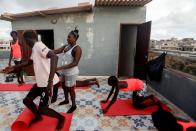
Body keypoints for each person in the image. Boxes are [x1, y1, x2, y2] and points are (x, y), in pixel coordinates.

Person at [4, 30, 65, 131]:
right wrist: (14, 67)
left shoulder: (38, 46)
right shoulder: (35, 49)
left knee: (43, 109)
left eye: (24, 40)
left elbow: (54, 56)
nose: (24, 42)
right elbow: (28, 62)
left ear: (28, 39)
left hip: (48, 83)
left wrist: (50, 82)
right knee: (27, 101)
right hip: (41, 83)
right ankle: (38, 116)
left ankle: (61, 118)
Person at [53, 27, 82, 113]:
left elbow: (75, 63)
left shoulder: (77, 49)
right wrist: (45, 50)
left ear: (75, 38)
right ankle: (66, 100)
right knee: (64, 86)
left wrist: (59, 68)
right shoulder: (66, 46)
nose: (67, 38)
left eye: (69, 37)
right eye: (67, 37)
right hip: (64, 71)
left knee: (71, 89)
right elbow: (56, 51)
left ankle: (73, 105)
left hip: (71, 73)